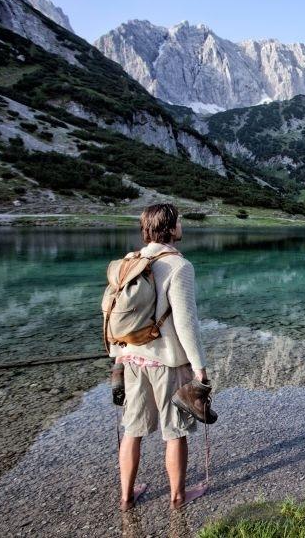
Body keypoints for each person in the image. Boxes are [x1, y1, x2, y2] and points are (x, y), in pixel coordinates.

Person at [110, 203, 208, 511]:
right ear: (171, 227)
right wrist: (199, 367)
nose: (182, 226)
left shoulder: (131, 260)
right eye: (179, 221)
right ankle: (178, 497)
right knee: (175, 431)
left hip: (130, 358)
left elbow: (114, 312)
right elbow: (186, 323)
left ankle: (127, 497)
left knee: (132, 429)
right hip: (167, 362)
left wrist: (117, 355)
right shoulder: (179, 266)